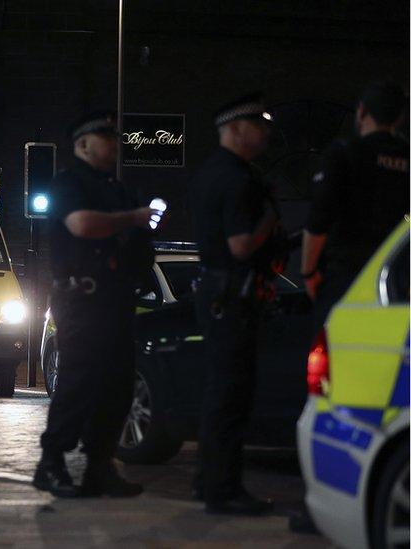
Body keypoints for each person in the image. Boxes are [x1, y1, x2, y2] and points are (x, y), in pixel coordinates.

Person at [33, 110, 155, 499]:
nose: (115, 143)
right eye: (106, 136)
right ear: (83, 144)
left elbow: (142, 244)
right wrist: (133, 219)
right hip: (81, 297)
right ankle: (51, 463)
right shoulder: (69, 183)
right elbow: (82, 225)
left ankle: (100, 466)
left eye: (116, 136)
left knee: (117, 386)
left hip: (116, 298)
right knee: (79, 380)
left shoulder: (118, 189)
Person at [189, 93, 280, 515]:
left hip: (217, 292)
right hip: (233, 295)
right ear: (236, 128)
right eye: (258, 125)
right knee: (231, 396)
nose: (264, 133)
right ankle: (222, 489)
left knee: (218, 393)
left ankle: (208, 481)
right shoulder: (239, 179)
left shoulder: (212, 171)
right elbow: (241, 245)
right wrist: (269, 221)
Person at [302, 81, 409, 328]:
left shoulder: (345, 153)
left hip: (347, 276)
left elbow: (319, 219)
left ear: (361, 111)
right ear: (400, 117)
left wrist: (308, 272)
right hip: (397, 278)